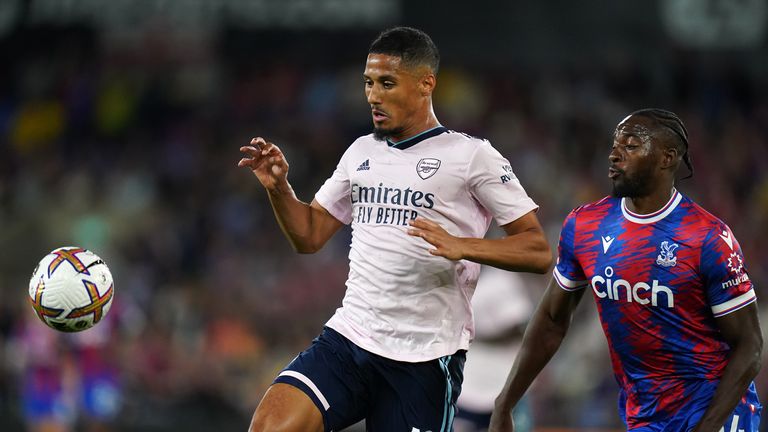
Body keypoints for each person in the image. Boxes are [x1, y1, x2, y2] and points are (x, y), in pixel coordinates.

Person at [238, 26, 552, 432]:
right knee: (271, 426)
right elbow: (309, 235)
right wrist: (280, 189)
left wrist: (463, 245)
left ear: (426, 84)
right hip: (350, 338)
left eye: (387, 83)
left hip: (423, 358)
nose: (373, 95)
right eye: (368, 83)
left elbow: (537, 251)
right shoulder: (361, 152)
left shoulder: (472, 156)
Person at [489, 108, 763, 432]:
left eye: (631, 145)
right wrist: (505, 401)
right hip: (644, 417)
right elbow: (551, 320)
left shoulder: (707, 237)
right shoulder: (585, 225)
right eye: (615, 145)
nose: (615, 155)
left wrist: (707, 427)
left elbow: (750, 347)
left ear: (667, 157)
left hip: (718, 412)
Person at [453, 265, 538, 432]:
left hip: (503, 382)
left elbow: (518, 326)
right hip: (468, 384)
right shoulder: (457, 280)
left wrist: (472, 335)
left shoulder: (502, 280)